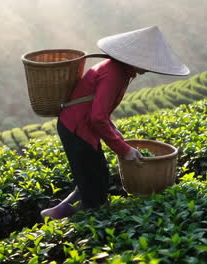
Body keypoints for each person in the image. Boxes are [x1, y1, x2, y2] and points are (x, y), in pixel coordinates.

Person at [40, 26, 190, 219]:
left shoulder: (118, 70)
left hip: (80, 127)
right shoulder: (115, 74)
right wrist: (124, 150)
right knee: (95, 186)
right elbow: (97, 117)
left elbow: (98, 111)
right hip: (76, 128)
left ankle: (55, 213)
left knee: (95, 177)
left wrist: (114, 131)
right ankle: (77, 223)